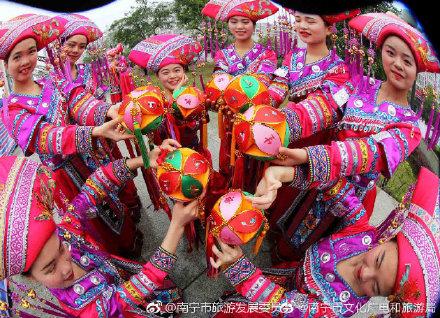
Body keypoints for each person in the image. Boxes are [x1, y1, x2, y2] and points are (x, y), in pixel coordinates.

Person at [256, 12, 437, 263]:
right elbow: (324, 107)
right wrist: (282, 125)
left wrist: (308, 156)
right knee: (292, 220)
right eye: (391, 52)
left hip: (349, 195)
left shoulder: (409, 127)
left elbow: (365, 153)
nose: (397, 64)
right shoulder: (360, 83)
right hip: (318, 172)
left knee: (312, 247)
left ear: (418, 69)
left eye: (407, 61)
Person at [0, 139, 198, 317]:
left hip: (121, 278)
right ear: (32, 279)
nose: (66, 266)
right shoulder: (86, 310)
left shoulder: (68, 232)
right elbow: (135, 290)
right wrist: (176, 227)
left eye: (61, 248)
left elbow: (94, 187)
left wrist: (143, 160)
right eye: (50, 268)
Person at [210, 166, 440, 317]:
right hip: (290, 278)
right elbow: (335, 188)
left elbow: (283, 306)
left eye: (376, 287)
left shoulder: (335, 309)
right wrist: (282, 175)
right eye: (378, 260)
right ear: (387, 239)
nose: (365, 273)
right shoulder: (362, 233)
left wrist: (241, 269)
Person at [0, 14, 142, 257]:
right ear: (5, 62)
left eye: (31, 52)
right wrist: (96, 131)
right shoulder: (11, 108)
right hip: (66, 175)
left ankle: (131, 240)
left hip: (91, 156)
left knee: (113, 201)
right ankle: (118, 261)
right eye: (17, 56)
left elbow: (80, 101)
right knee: (93, 219)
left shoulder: (52, 81)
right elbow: (46, 137)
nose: (26, 61)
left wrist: (110, 110)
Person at [201, 0, 279, 189]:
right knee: (229, 161)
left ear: (254, 25)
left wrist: (230, 90)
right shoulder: (223, 55)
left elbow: (262, 89)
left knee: (256, 164)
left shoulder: (267, 55)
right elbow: (218, 85)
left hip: (257, 121)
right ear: (227, 24)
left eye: (245, 21)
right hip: (229, 121)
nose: (239, 26)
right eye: (234, 21)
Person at [129, 33, 204, 151]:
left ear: (184, 71)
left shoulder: (193, 95)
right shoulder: (154, 102)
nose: (172, 76)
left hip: (193, 152)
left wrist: (178, 92)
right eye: (165, 72)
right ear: (157, 76)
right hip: (166, 155)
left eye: (177, 70)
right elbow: (154, 136)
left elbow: (197, 124)